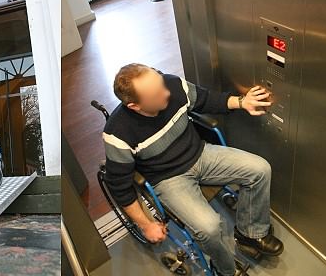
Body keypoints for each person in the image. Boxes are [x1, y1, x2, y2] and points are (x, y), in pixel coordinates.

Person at [102, 63, 283, 276]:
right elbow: (119, 187)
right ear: (135, 106)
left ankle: (250, 234)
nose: (167, 92)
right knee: (210, 228)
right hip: (168, 178)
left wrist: (243, 102)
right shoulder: (117, 134)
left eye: (162, 84)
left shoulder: (172, 84)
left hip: (200, 154)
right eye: (157, 93)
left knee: (260, 169)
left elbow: (207, 99)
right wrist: (145, 225)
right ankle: (225, 270)